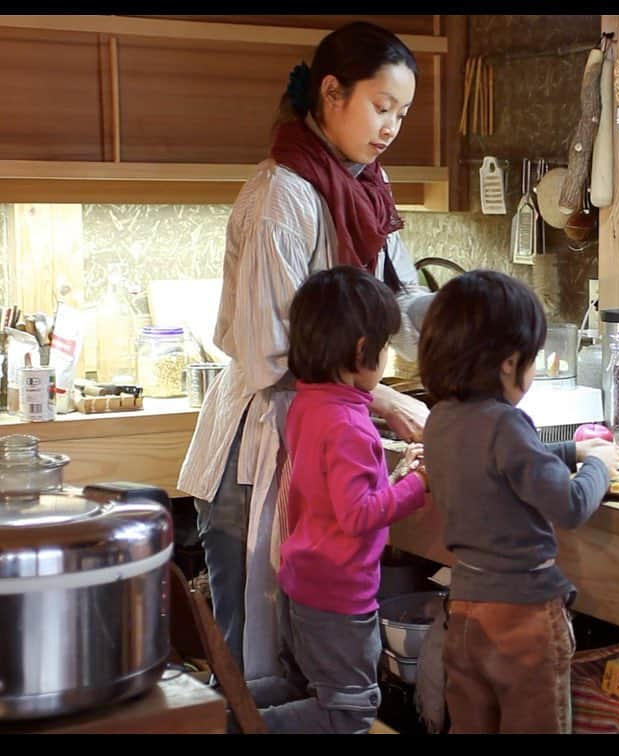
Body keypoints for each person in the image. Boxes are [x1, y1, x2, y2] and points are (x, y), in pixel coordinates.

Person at [176, 21, 434, 680]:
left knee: (299, 657)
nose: (391, 127)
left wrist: (472, 327)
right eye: (381, 106)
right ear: (331, 92)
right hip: (253, 452)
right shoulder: (280, 198)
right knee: (250, 661)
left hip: (313, 439)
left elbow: (394, 312)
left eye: (401, 114)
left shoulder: (365, 189)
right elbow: (271, 350)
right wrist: (385, 398)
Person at [418, 270, 619, 734]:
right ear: (509, 364)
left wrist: (572, 451)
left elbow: (497, 467)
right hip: (523, 619)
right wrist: (600, 467)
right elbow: (569, 506)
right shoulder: (508, 424)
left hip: (466, 610)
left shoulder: (440, 420)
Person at [250, 265, 428, 733]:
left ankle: (213, 714)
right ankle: (224, 725)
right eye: (385, 346)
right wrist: (421, 485)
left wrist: (398, 476)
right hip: (338, 595)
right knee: (347, 711)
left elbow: (336, 493)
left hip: (302, 581)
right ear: (359, 349)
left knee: (298, 687)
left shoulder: (311, 402)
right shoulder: (349, 424)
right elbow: (357, 515)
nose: (387, 357)